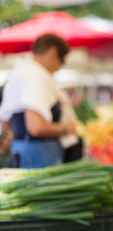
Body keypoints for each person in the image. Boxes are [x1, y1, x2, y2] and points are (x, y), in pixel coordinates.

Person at [0, 34, 77, 168]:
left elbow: (6, 124)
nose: (59, 68)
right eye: (61, 61)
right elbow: (36, 127)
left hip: (23, 150)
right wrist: (66, 128)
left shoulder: (18, 74)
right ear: (52, 53)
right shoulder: (34, 77)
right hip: (40, 154)